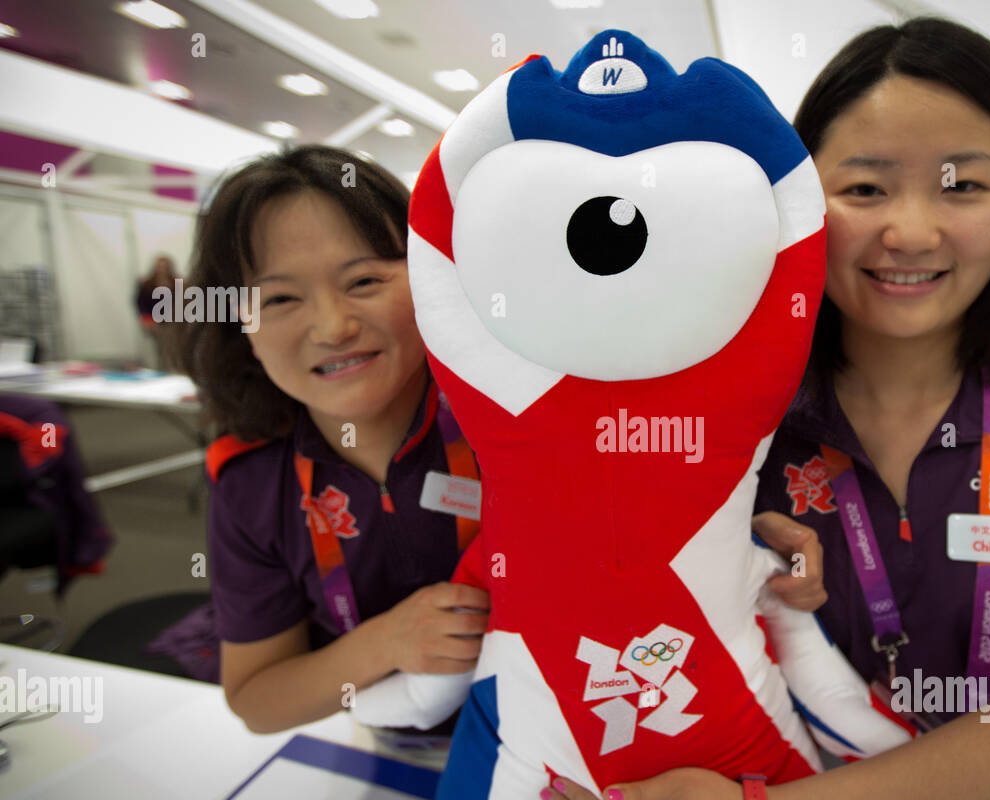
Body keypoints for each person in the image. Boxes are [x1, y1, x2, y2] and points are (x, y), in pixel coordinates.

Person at [538, 17, 990, 800]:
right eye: (866, 189)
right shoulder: (729, 403)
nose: (910, 231)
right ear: (801, 200)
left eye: (963, 186)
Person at [173, 145, 823, 735]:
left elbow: (649, 516)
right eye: (282, 299)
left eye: (365, 281)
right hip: (389, 744)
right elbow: (257, 697)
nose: (334, 324)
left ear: (432, 275)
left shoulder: (525, 413)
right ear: (240, 327)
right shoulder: (249, 481)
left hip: (569, 740)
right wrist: (387, 644)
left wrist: (744, 540)